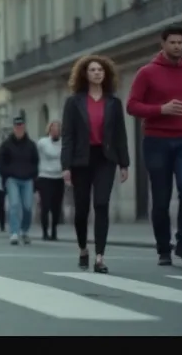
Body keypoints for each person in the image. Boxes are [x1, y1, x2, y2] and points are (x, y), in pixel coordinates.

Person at [127, 25, 182, 266]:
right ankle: (163, 249)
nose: (177, 46)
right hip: (156, 141)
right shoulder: (147, 72)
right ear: (162, 44)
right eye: (172, 42)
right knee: (161, 198)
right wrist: (160, 110)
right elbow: (132, 105)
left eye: (180, 43)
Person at [61, 54, 130, 273]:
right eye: (92, 70)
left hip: (105, 159)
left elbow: (120, 134)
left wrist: (124, 164)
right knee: (81, 211)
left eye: (100, 70)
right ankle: (83, 248)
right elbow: (68, 136)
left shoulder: (114, 102)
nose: (97, 73)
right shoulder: (73, 102)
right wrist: (66, 167)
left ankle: (100, 257)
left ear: (105, 74)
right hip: (81, 160)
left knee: (101, 205)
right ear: (85, 74)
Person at [0, 116, 39, 245]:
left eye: (21, 126)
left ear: (24, 127)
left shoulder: (31, 145)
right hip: (12, 179)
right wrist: (7, 175)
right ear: (14, 128)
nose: (19, 128)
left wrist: (33, 174)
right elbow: (1, 162)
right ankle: (14, 232)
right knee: (14, 205)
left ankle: (24, 231)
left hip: (27, 179)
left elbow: (35, 161)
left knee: (27, 206)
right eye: (17, 126)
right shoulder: (6, 145)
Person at [37, 120, 65, 241]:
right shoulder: (42, 143)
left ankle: (54, 231)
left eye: (58, 129)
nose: (55, 131)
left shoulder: (64, 143)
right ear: (49, 130)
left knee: (56, 207)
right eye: (53, 129)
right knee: (45, 205)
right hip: (45, 177)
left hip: (59, 177)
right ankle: (44, 231)